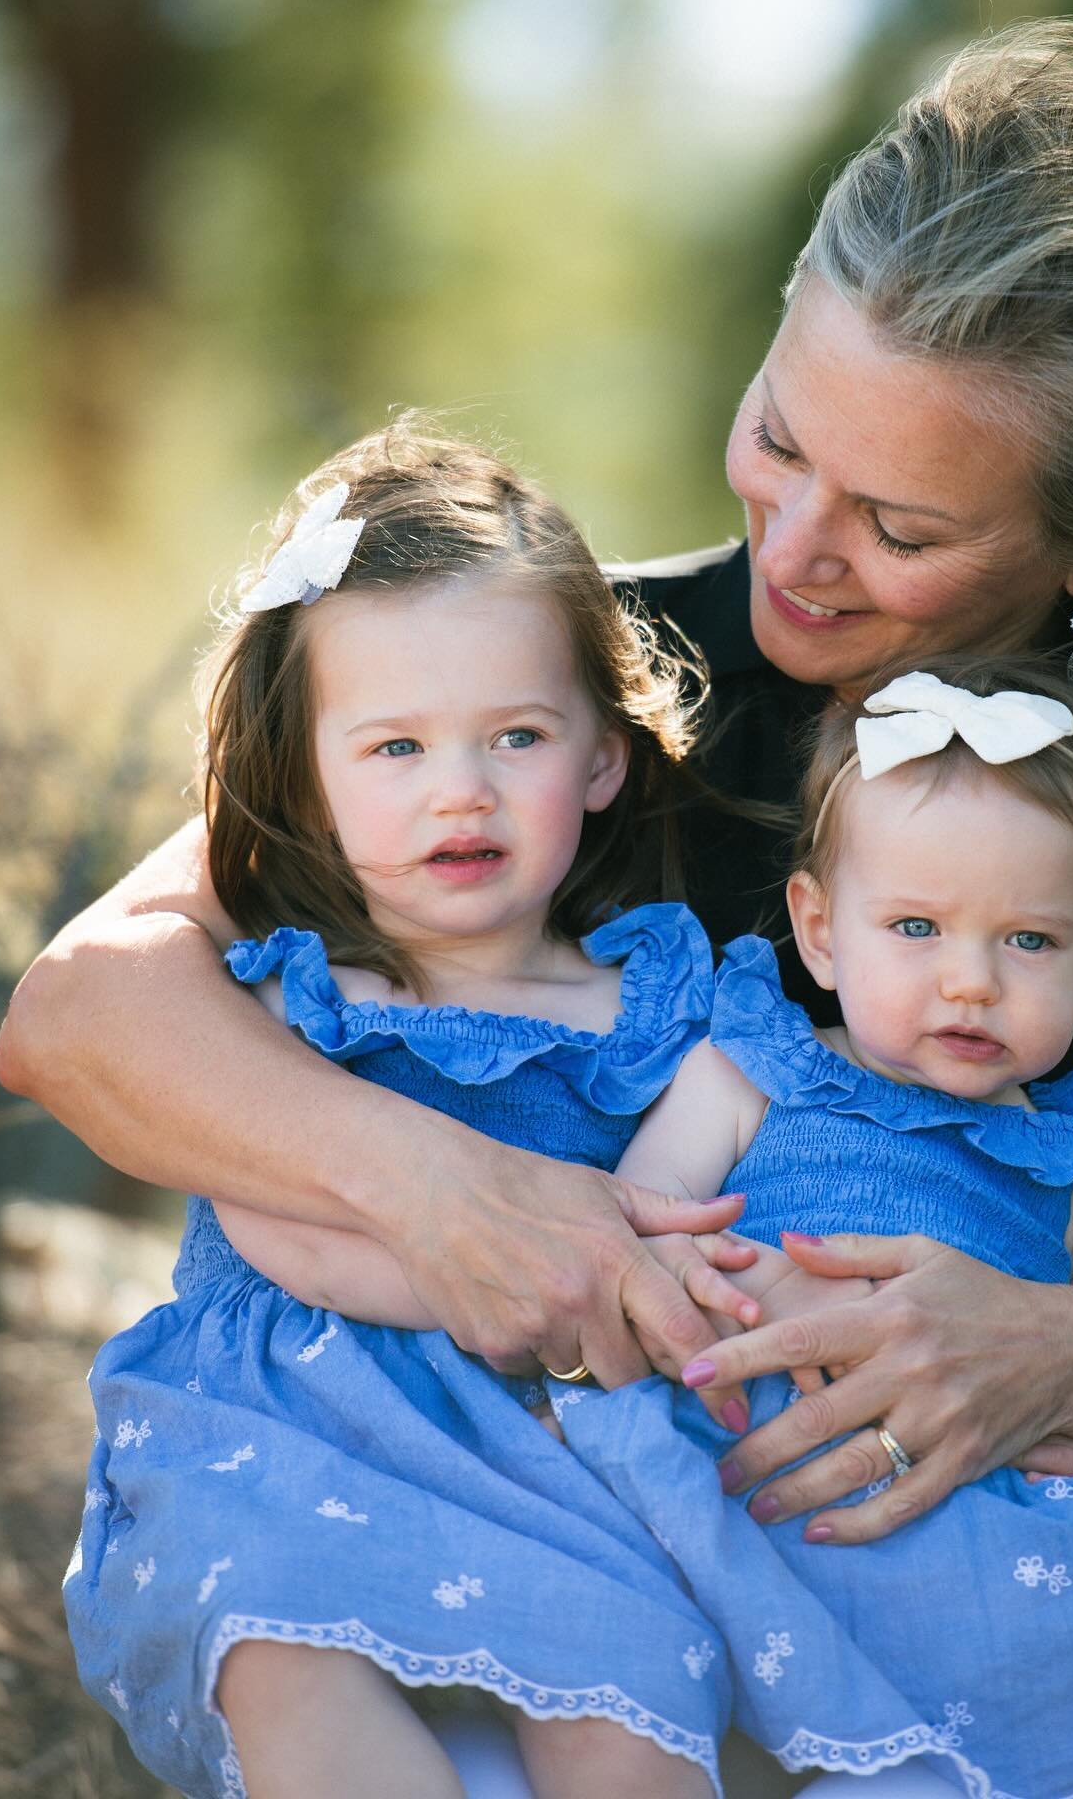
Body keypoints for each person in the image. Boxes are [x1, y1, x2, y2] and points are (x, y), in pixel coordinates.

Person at [0, 4, 1073, 1720]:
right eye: (783, 440)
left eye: (902, 526)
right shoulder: (587, 697)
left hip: (1008, 1628)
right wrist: (450, 1200)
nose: (795, 557)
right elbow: (84, 1013)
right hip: (584, 1590)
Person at [62, 421, 768, 1799]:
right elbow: (284, 1233)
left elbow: (708, 1205)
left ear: (607, 761)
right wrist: (505, 1285)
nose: (464, 789)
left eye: (518, 735)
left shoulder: (666, 1008)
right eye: (395, 747)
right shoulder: (289, 1009)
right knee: (285, 1648)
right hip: (294, 1445)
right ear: (307, 788)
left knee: (633, 1686)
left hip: (573, 1465)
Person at [550, 661, 1073, 1793]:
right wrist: (756, 1293)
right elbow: (640, 1239)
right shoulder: (751, 1074)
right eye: (914, 926)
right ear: (818, 929)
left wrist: (1067, 1455)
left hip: (961, 1551)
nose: (970, 983)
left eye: (1029, 943)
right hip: (728, 1475)